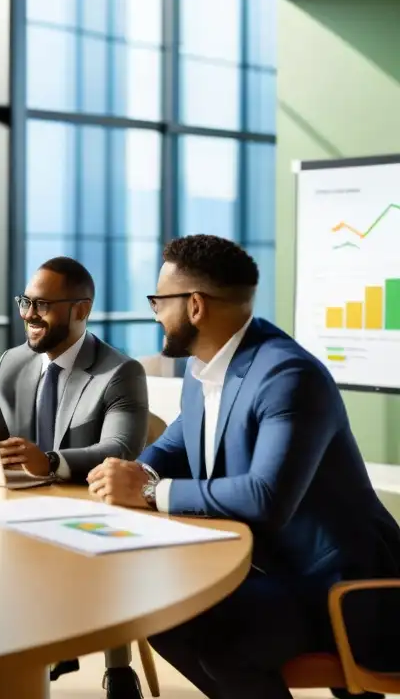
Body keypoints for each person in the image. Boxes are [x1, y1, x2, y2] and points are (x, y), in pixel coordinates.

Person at [87, 234, 400, 699]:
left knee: (221, 639)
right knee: (165, 617)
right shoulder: (204, 372)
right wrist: (127, 474)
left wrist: (150, 492)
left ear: (195, 306)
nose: (154, 311)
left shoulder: (287, 376)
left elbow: (266, 498)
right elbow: (171, 447)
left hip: (339, 591)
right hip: (271, 570)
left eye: (159, 300)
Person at [0, 256, 149, 699]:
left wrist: (51, 462)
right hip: (21, 507)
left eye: (42, 305)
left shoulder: (119, 372)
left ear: (80, 310)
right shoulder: (12, 364)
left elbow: (120, 449)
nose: (28, 315)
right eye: (25, 301)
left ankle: (117, 669)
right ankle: (26, 651)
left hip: (89, 503)